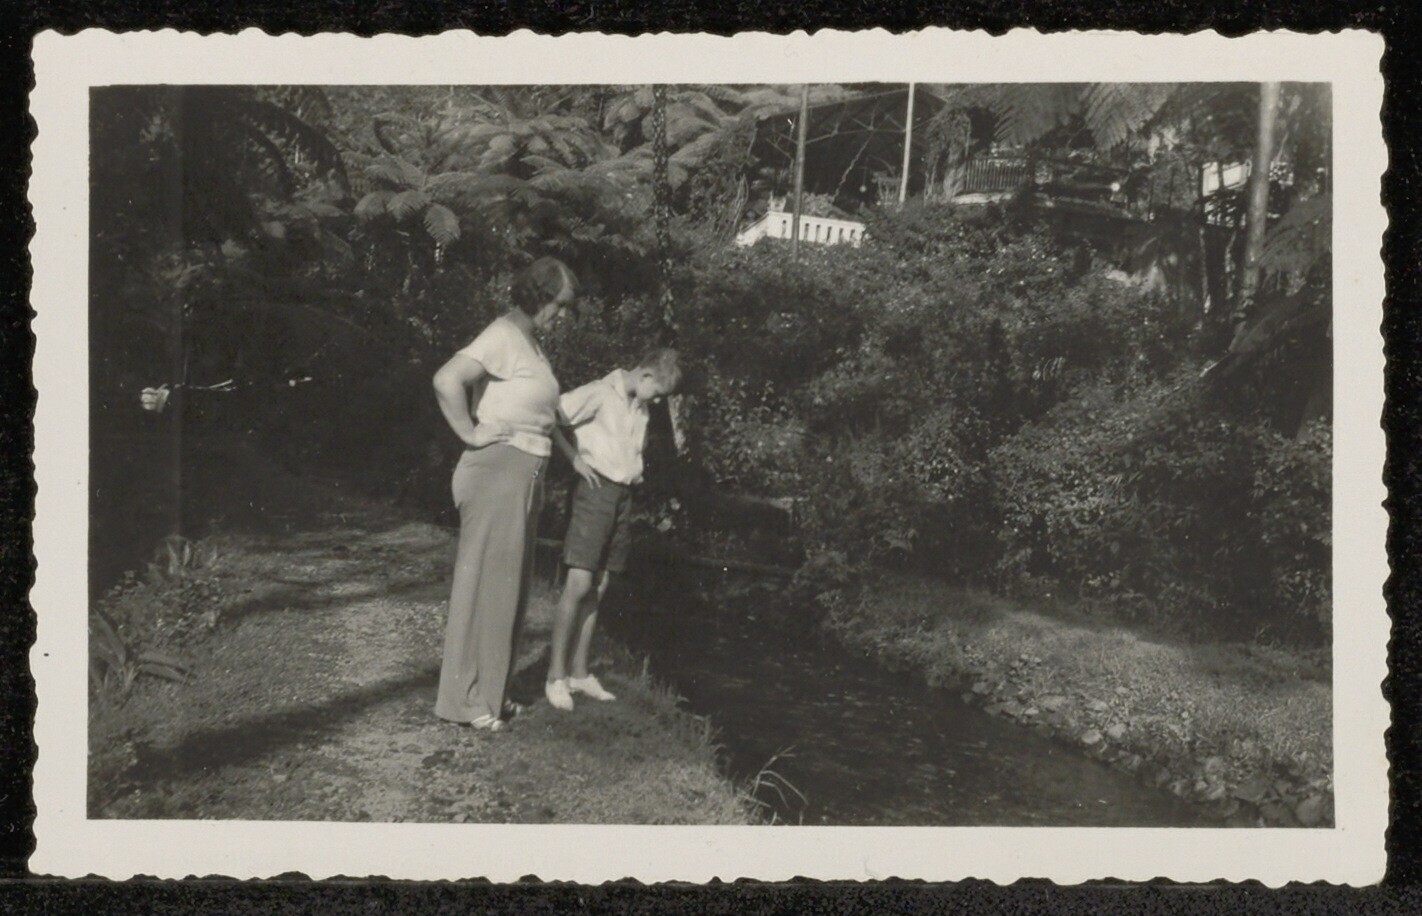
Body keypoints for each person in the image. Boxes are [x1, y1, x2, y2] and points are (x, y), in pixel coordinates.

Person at [432, 257, 578, 732]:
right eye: (560, 305)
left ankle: (492, 693)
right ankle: (464, 701)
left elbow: (544, 414)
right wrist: (469, 433)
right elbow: (446, 379)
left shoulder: (532, 345)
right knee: (483, 587)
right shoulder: (502, 334)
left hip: (525, 474)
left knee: (509, 589)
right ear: (538, 296)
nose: (563, 315)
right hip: (497, 471)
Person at [544, 348, 683, 711]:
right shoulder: (600, 392)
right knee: (579, 582)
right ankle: (555, 677)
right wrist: (574, 458)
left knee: (600, 584)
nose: (658, 400)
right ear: (646, 376)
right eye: (658, 392)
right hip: (596, 491)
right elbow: (550, 415)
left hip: (623, 495)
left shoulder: (640, 407)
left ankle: (579, 672)